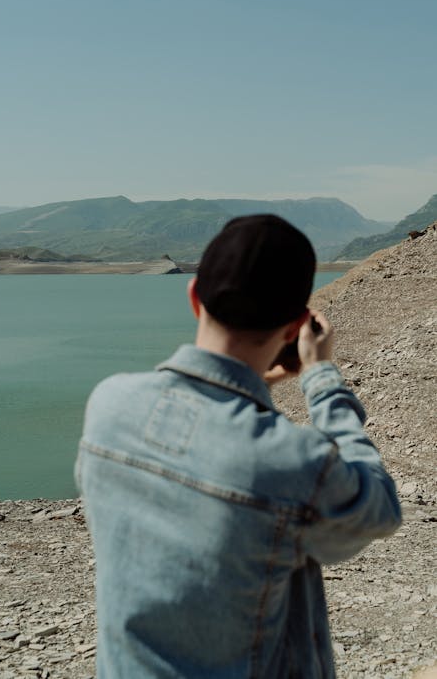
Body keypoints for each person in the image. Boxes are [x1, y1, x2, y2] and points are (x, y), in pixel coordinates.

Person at [76, 214, 401, 679]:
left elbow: (207, 440)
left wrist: (249, 385)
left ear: (194, 298)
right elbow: (379, 507)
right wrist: (322, 379)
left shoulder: (109, 405)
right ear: (294, 327)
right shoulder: (292, 462)